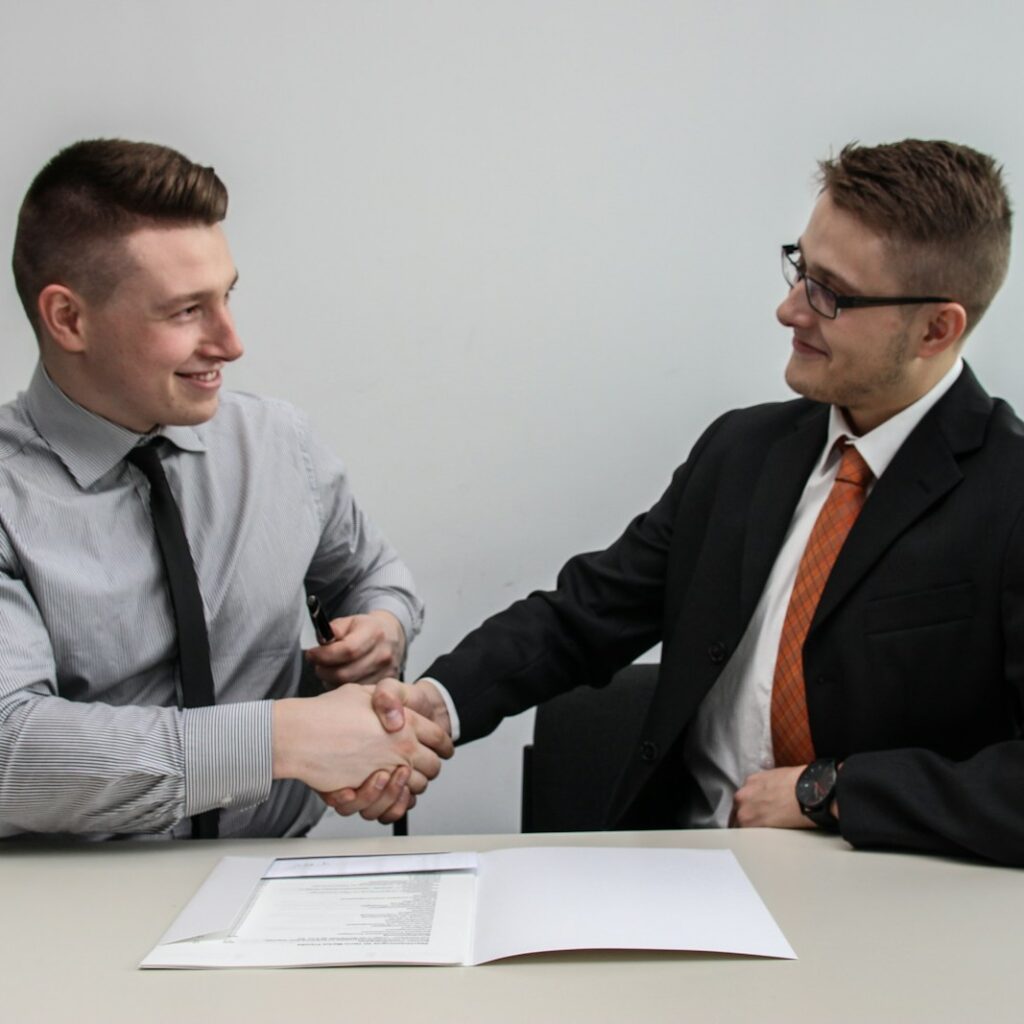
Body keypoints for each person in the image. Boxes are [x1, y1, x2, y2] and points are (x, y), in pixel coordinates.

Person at [330, 139, 1024, 866]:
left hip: (892, 907)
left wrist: (832, 789)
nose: (790, 308)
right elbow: (584, 616)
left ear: (937, 328)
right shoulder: (743, 453)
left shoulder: (1010, 495)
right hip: (686, 877)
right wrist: (434, 704)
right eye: (799, 269)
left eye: (831, 292)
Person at [0, 138, 451, 839]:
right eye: (185, 311)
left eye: (227, 296)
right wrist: (280, 738)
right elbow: (11, 751)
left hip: (276, 881)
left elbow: (371, 575)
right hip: (65, 912)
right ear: (69, 320)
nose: (231, 342)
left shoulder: (279, 444)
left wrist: (380, 630)